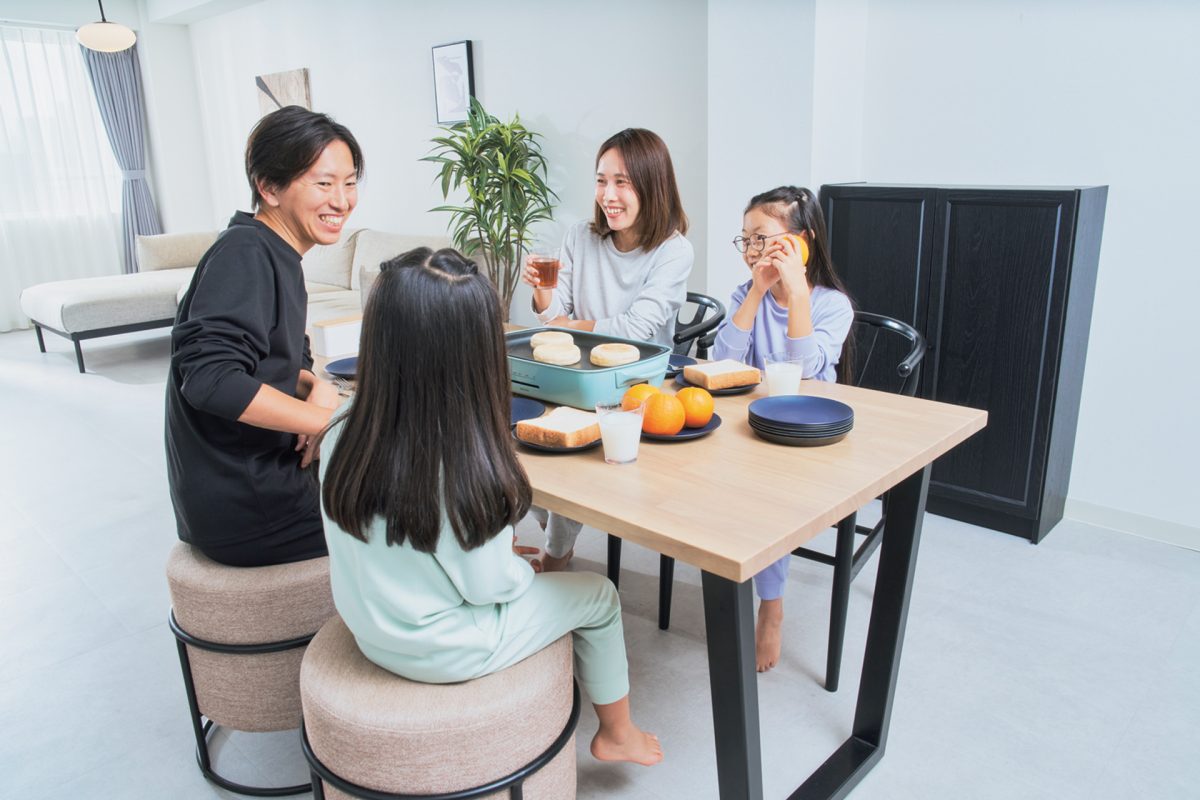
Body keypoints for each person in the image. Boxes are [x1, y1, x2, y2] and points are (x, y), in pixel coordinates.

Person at [318, 248, 662, 767]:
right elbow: (488, 587)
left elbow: (413, 540)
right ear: (476, 356)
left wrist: (499, 559)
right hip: (445, 646)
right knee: (599, 596)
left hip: (372, 624)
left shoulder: (343, 428)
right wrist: (516, 573)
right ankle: (618, 733)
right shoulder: (451, 456)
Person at [165, 105, 362, 568]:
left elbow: (274, 358)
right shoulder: (246, 253)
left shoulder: (274, 252)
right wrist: (328, 424)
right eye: (323, 182)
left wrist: (318, 387)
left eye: (350, 182)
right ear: (268, 187)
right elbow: (210, 378)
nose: (342, 200)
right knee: (427, 502)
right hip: (252, 508)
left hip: (252, 487)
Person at [522, 128, 693, 569]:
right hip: (572, 375)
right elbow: (551, 317)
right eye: (601, 180)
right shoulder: (581, 236)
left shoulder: (674, 251)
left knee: (563, 451)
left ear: (652, 185)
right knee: (511, 440)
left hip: (635, 388)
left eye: (623, 182)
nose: (608, 194)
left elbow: (635, 331)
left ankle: (558, 553)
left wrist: (565, 326)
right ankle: (556, 536)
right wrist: (543, 294)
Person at [712, 185, 854, 672]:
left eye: (765, 240)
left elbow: (808, 375)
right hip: (750, 431)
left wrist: (794, 292)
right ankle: (733, 574)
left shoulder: (832, 305)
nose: (753, 252)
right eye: (747, 240)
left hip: (808, 439)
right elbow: (722, 365)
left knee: (761, 495)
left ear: (802, 243)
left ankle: (770, 606)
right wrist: (755, 291)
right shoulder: (742, 294)